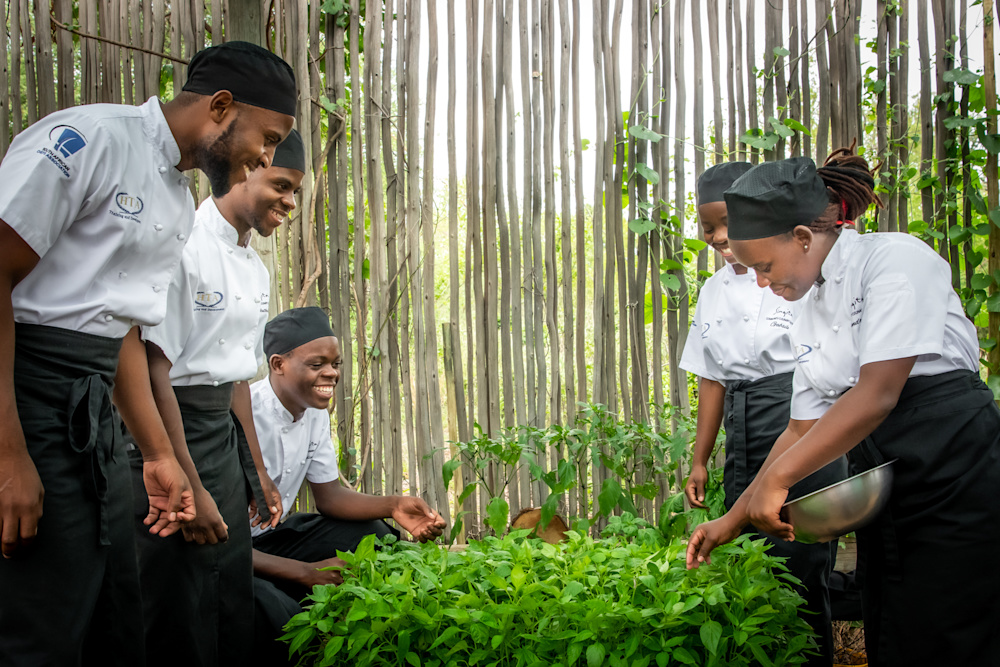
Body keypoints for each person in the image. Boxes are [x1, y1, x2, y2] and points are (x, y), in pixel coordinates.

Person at [0, 40, 296, 666]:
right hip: (26, 392)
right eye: (266, 139)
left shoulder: (174, 202)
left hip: (97, 412)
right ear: (220, 107)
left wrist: (160, 456)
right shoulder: (90, 140)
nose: (263, 160)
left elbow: (125, 333)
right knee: (40, 622)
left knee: (114, 614)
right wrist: (8, 456)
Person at [686, 149, 1000, 666]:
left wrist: (778, 482)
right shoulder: (810, 304)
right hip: (891, 484)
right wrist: (732, 519)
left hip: (954, 471)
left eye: (764, 266)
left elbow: (877, 394)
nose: (762, 283)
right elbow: (800, 428)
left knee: (951, 628)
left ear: (803, 238)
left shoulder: (896, 260)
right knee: (891, 626)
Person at [129, 128, 307, 667]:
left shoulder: (256, 269)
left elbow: (235, 380)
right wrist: (188, 481)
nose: (290, 202)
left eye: (295, 190)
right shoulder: (184, 245)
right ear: (246, 168)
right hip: (169, 435)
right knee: (176, 601)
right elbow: (154, 369)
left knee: (230, 597)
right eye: (280, 183)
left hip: (222, 443)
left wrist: (255, 471)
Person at [680, 162, 844, 666]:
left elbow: (824, 385)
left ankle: (814, 656)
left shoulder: (799, 277)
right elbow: (712, 376)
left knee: (801, 552)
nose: (720, 237)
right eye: (708, 228)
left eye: (727, 223)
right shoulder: (713, 292)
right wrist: (701, 457)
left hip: (800, 408)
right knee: (751, 545)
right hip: (744, 418)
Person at [249, 307, 447, 666]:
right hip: (227, 552)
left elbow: (329, 497)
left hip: (269, 539)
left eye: (335, 364)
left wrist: (394, 506)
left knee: (376, 536)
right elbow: (219, 541)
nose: (331, 373)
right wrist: (306, 572)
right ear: (278, 364)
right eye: (317, 364)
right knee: (282, 618)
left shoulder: (314, 414)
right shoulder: (243, 413)